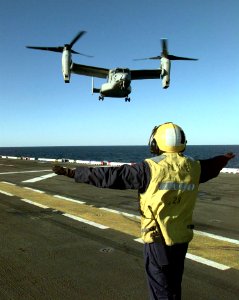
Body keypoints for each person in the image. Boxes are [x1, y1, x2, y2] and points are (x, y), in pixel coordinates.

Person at [52, 122, 235, 300]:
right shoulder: (195, 167)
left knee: (160, 289)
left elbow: (110, 176)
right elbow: (212, 165)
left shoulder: (149, 169)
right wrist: (224, 158)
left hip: (158, 240)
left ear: (157, 143)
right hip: (182, 239)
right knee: (173, 286)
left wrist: (73, 173)